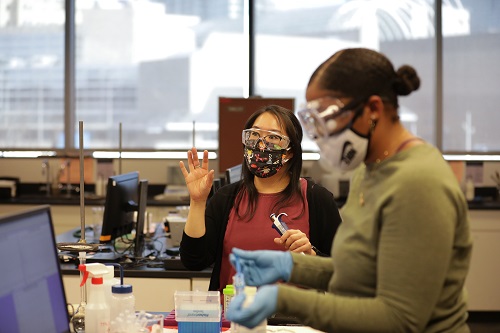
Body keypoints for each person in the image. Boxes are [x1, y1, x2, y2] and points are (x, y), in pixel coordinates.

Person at [225, 48, 472, 333]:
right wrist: (290, 266)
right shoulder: (370, 170)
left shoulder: (419, 181)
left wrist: (285, 298)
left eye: (328, 119)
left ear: (373, 110)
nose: (320, 134)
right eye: (313, 121)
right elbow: (358, 274)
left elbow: (400, 318)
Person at [178, 104, 342, 292]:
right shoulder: (226, 198)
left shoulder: (316, 199)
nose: (260, 145)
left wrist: (312, 255)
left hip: (293, 317)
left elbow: (343, 272)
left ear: (290, 151)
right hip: (235, 314)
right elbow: (193, 261)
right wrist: (198, 202)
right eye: (254, 135)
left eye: (273, 137)